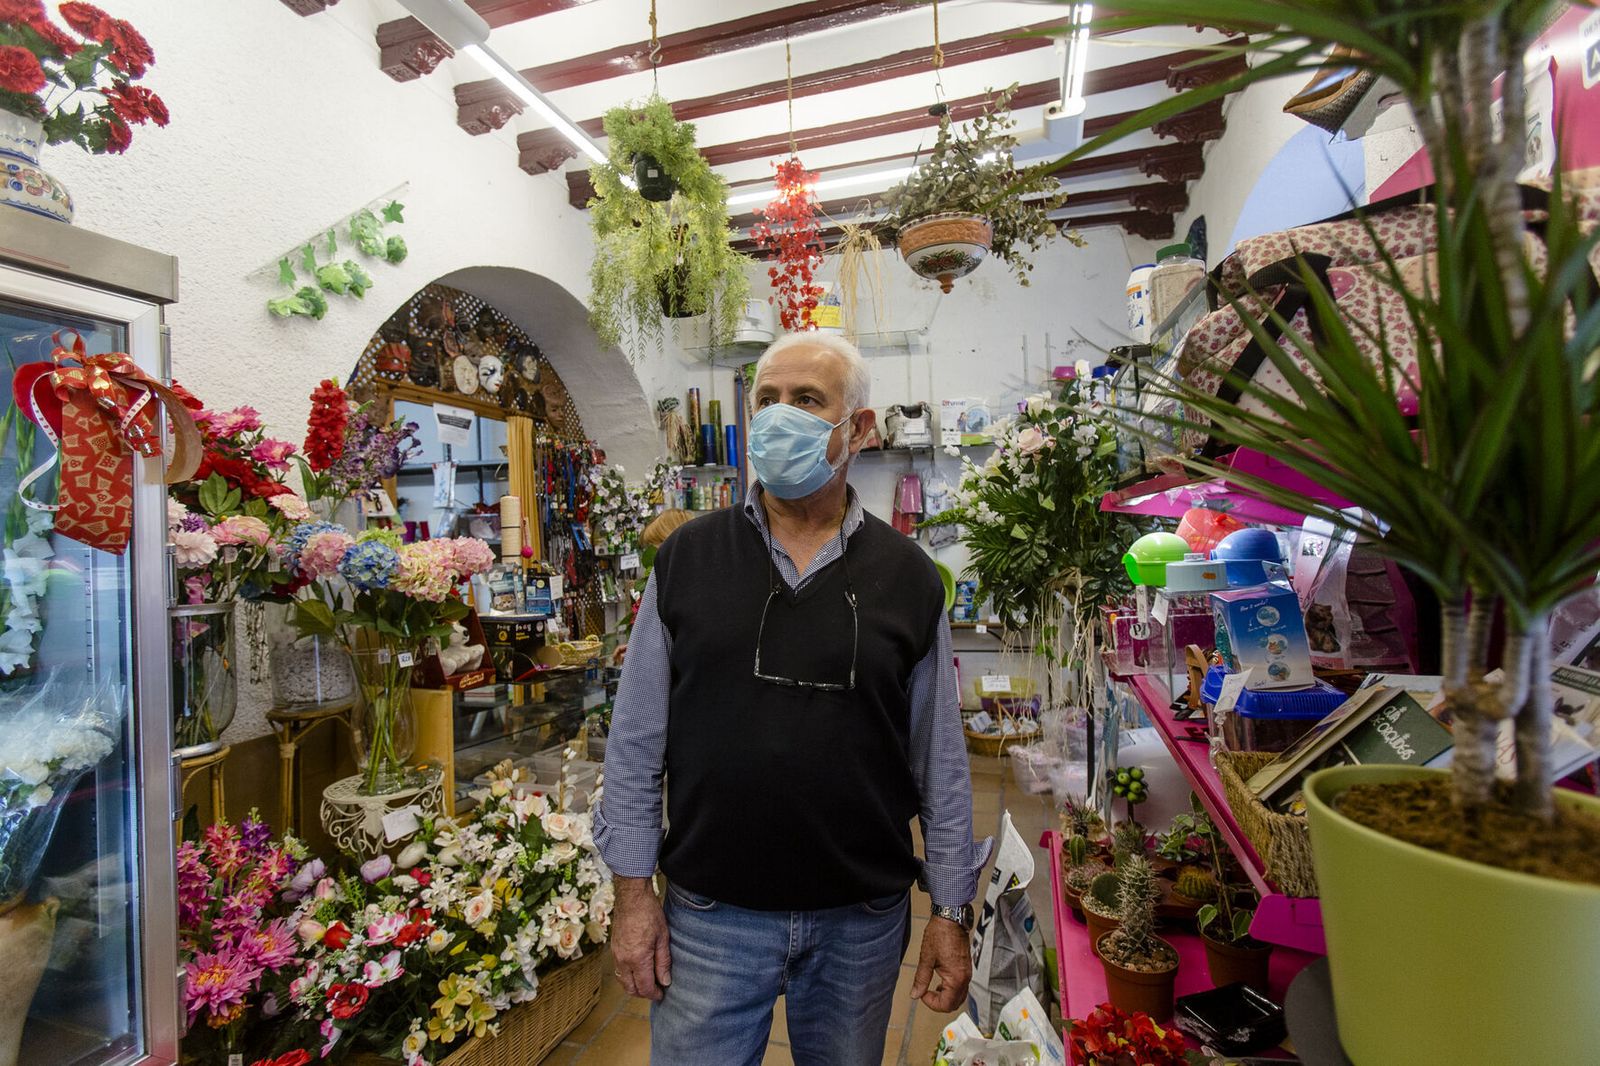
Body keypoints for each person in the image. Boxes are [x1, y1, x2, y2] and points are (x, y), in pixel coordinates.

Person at [595, 334, 990, 1066]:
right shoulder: (687, 559)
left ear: (860, 430)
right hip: (711, 916)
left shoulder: (908, 577)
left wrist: (952, 911)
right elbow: (636, 740)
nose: (782, 418)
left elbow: (939, 759)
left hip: (860, 921)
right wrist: (631, 894)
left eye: (808, 401)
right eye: (767, 401)